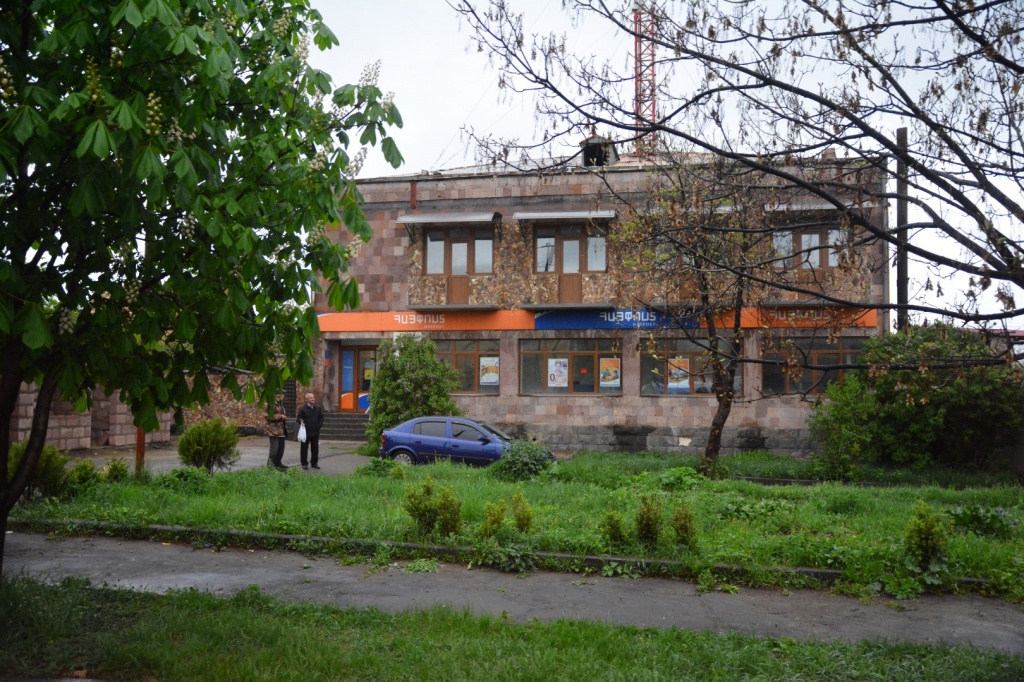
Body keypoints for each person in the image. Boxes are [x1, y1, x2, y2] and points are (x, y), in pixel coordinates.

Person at [296, 392, 324, 469]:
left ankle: (314, 463)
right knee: (304, 448)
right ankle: (304, 463)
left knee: (315, 448)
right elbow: (298, 418)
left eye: (313, 397)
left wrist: (318, 426)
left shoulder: (318, 408)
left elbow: (321, 418)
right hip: (306, 432)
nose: (313, 399)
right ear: (307, 399)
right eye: (311, 398)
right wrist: (301, 421)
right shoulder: (303, 408)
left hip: (315, 431)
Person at [265, 395, 289, 471]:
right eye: (281, 394)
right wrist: (280, 417)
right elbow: (267, 416)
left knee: (281, 449)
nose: (283, 396)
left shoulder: (280, 403)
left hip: (281, 430)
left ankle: (278, 463)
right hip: (274, 431)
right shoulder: (270, 403)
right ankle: (270, 466)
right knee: (274, 450)